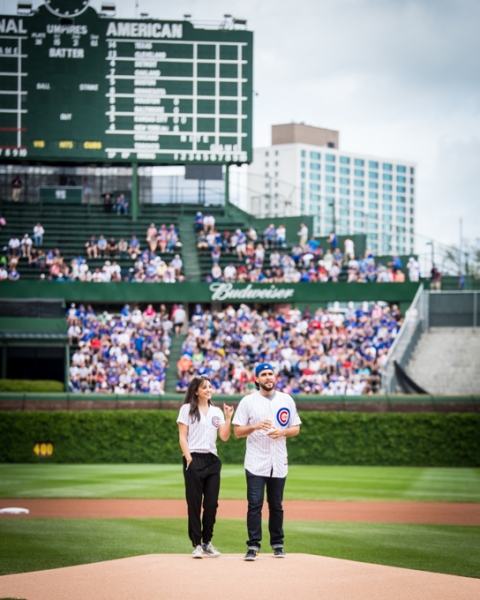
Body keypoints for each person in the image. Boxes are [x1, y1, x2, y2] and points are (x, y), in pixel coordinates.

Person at [232, 363, 301, 561]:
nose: (268, 377)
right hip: (255, 461)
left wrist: (282, 431)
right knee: (254, 504)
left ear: (275, 377)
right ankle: (253, 546)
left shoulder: (286, 399)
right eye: (264, 374)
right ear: (256, 379)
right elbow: (237, 432)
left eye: (271, 374)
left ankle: (278, 544)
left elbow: (295, 428)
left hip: (278, 460)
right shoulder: (248, 401)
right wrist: (254, 426)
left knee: (276, 505)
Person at [177, 375, 233, 558]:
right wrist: (188, 458)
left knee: (211, 504)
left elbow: (224, 437)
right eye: (204, 387)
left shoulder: (216, 412)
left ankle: (207, 542)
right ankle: (196, 544)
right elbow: (182, 437)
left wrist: (228, 417)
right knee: (194, 503)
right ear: (196, 391)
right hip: (193, 457)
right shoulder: (187, 409)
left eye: (210, 386)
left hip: (212, 460)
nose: (209, 389)